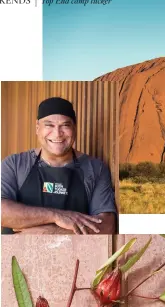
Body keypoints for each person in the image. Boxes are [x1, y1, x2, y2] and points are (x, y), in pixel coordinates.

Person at [1, 97, 116, 234]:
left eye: (65, 126)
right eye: (49, 125)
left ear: (74, 128)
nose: (57, 134)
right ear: (37, 127)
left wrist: (50, 231)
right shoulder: (14, 164)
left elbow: (107, 226)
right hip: (16, 254)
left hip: (75, 255)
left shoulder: (95, 169)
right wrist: (55, 216)